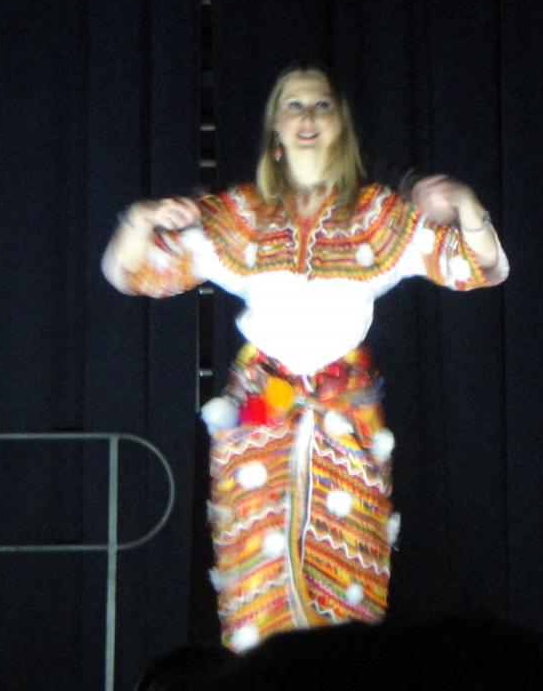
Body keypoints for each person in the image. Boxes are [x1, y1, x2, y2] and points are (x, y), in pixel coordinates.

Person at [102, 64, 508, 652]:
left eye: (321, 106)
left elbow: (481, 268)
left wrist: (467, 205)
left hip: (345, 426)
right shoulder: (237, 215)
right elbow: (130, 273)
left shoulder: (379, 215)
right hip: (259, 426)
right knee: (257, 595)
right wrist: (138, 221)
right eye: (294, 106)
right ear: (275, 127)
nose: (308, 118)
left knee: (348, 602)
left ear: (341, 123)